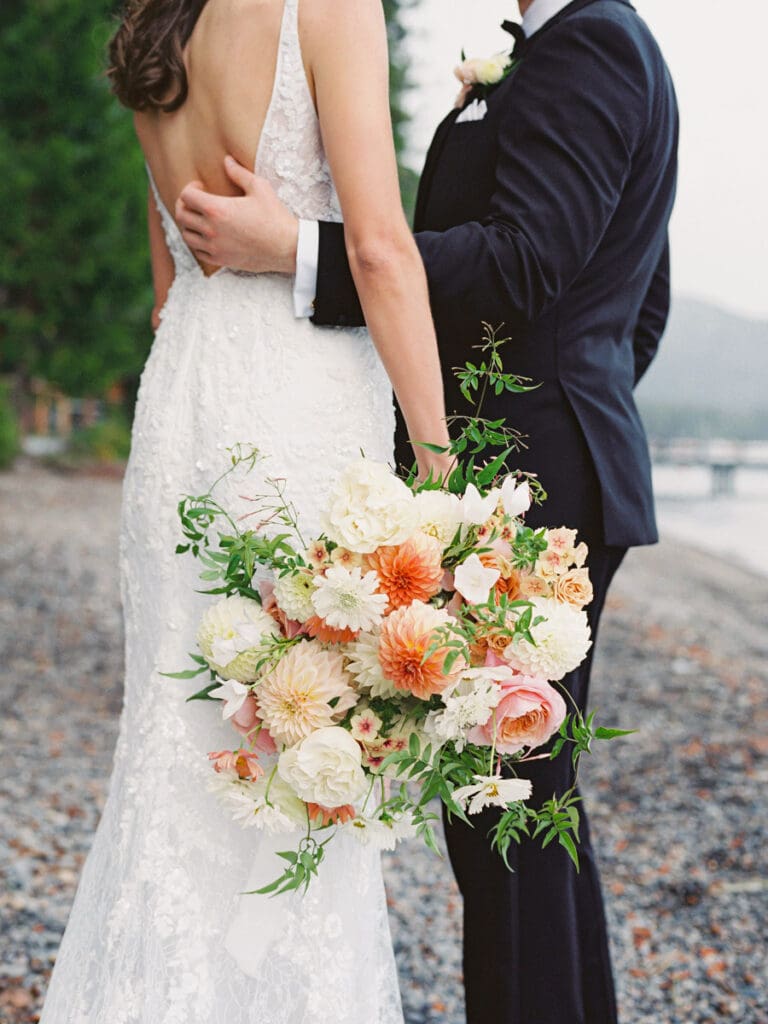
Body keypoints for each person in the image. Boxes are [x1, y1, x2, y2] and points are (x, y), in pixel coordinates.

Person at [174, 1, 680, 1021]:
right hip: (549, 459)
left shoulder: (591, 42)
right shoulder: (577, 47)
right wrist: (586, 403)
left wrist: (299, 249)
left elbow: (525, 264)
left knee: (501, 800)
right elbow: (641, 301)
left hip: (525, 477)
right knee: (525, 801)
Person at [38, 0, 451, 1021]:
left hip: (182, 408)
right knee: (299, 749)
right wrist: (441, 469)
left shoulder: (154, 19)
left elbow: (169, 284)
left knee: (181, 745)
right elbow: (382, 253)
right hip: (292, 407)